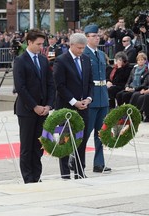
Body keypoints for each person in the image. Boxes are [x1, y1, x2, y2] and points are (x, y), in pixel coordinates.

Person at [13, 28, 55, 184]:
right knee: (27, 146)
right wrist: (34, 106)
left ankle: (37, 176)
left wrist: (49, 105)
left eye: (42, 44)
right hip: (27, 110)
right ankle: (28, 177)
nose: (41, 47)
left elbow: (51, 84)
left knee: (39, 145)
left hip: (43, 110)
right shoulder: (20, 60)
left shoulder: (43, 60)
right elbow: (20, 87)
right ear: (29, 42)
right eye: (38, 44)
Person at [53, 33, 94, 179]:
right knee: (65, 140)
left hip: (84, 106)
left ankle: (79, 170)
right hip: (66, 107)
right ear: (71, 45)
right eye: (79, 48)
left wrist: (88, 99)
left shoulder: (86, 59)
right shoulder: (61, 61)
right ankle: (65, 173)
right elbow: (60, 85)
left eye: (83, 48)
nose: (81, 51)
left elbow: (90, 82)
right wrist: (74, 101)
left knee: (80, 140)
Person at [82, 24, 111, 173]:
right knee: (86, 132)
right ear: (87, 37)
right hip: (91, 96)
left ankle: (99, 163)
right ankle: (78, 160)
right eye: (93, 36)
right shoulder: (84, 53)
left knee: (101, 133)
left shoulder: (100, 54)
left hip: (102, 95)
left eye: (98, 35)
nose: (97, 38)